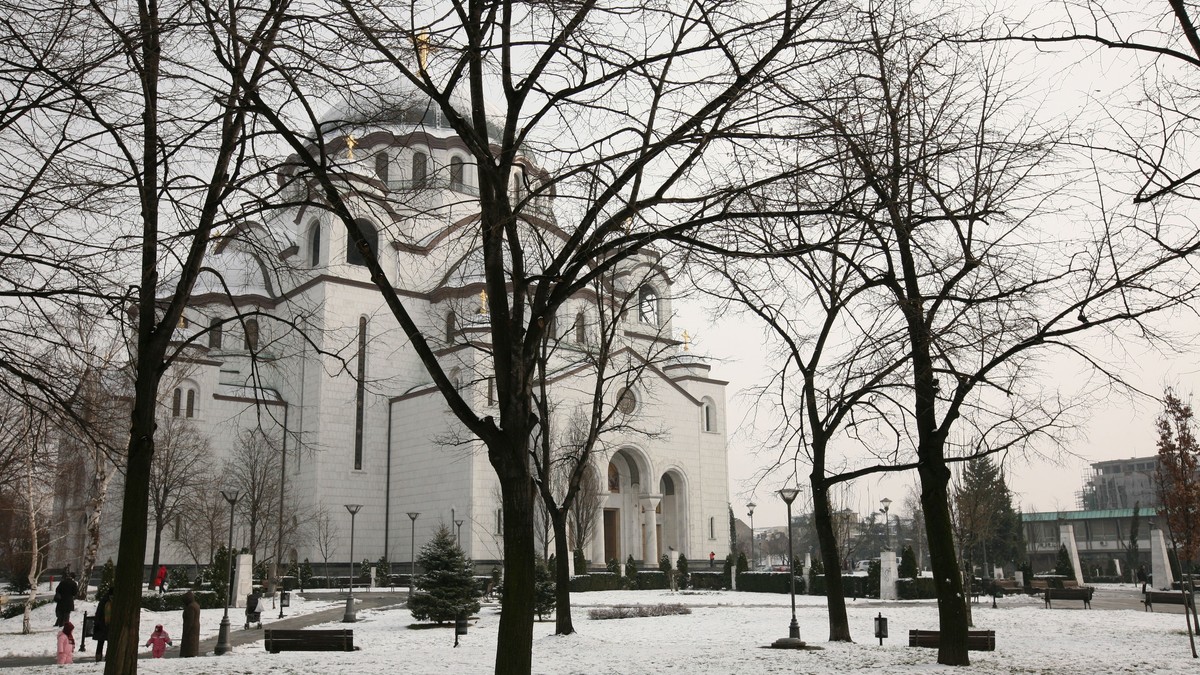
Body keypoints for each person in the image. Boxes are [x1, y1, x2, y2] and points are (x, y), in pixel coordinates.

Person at [93, 589, 112, 662]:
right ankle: (107, 657)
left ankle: (99, 657)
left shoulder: (103, 601)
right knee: (107, 642)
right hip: (105, 625)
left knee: (100, 642)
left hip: (101, 625)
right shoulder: (108, 602)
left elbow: (98, 614)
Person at [180, 590, 201, 657]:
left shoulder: (190, 607)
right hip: (195, 626)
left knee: (190, 642)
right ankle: (193, 652)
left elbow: (190, 620)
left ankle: (189, 653)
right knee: (193, 641)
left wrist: (186, 630)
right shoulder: (196, 605)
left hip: (191, 628)